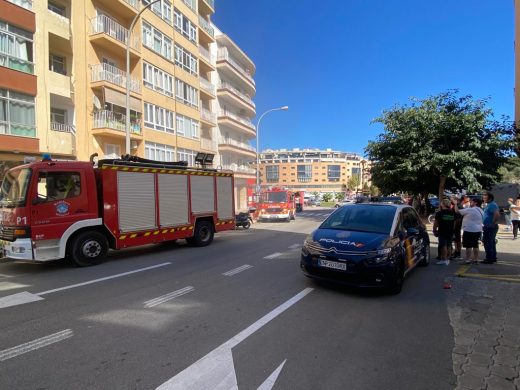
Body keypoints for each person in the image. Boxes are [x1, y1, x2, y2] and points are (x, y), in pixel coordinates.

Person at [453, 197, 483, 264]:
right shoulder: (481, 210)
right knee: (475, 245)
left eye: (472, 202)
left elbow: (457, 211)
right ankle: (476, 259)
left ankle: (468, 259)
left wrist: (455, 204)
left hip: (469, 229)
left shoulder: (470, 210)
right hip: (478, 230)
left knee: (468, 245)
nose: (470, 203)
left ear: (475, 203)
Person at [433, 198, 456, 265]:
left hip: (442, 231)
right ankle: (448, 259)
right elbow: (454, 223)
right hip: (450, 231)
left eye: (441, 203)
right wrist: (452, 229)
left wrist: (434, 230)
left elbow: (436, 223)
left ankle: (444, 259)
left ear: (443, 204)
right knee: (449, 245)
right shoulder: (452, 213)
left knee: (443, 245)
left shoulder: (439, 213)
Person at [481, 191, 500, 264]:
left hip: (490, 227)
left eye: (485, 197)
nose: (483, 198)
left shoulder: (492, 205)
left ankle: (489, 258)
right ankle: (493, 257)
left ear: (490, 198)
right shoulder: (489, 205)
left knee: (488, 242)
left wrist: (492, 223)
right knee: (491, 242)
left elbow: (497, 214)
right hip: (489, 226)